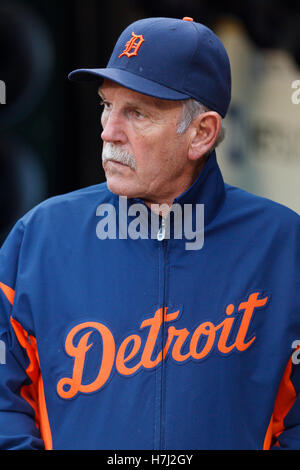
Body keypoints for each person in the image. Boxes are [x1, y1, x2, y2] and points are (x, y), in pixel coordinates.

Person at [0, 16, 299, 451]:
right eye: (106, 105)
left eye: (136, 113)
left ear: (202, 133)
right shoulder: (40, 237)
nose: (108, 131)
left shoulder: (284, 245)